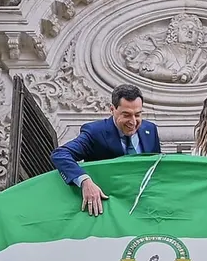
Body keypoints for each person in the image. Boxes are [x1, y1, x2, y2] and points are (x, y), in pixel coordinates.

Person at [50, 84, 162, 216]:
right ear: (112, 110)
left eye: (137, 115)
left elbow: (157, 168)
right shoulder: (95, 132)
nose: (133, 122)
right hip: (107, 209)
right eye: (126, 115)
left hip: (143, 209)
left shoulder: (150, 130)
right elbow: (60, 154)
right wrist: (85, 182)